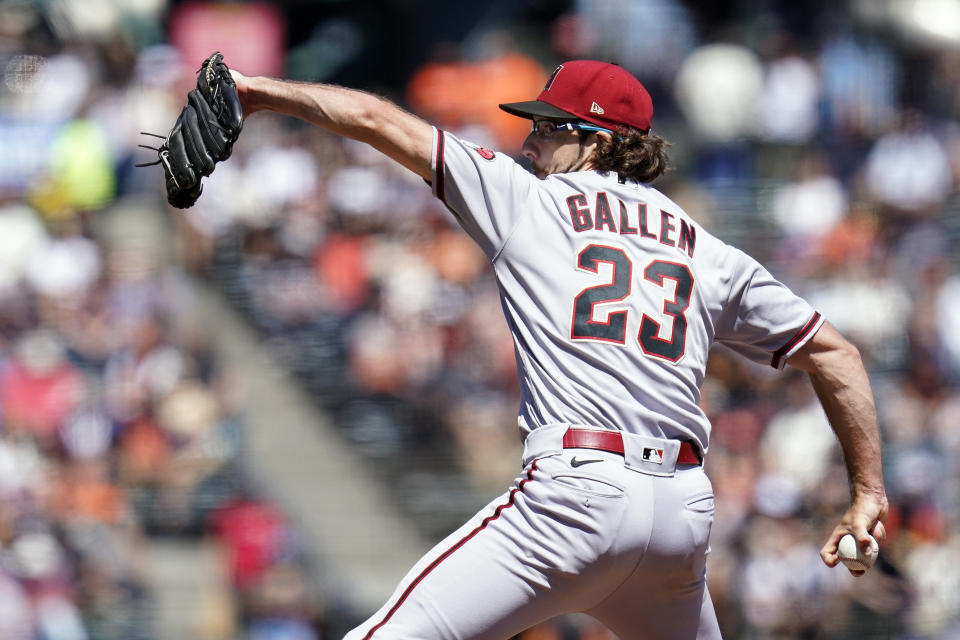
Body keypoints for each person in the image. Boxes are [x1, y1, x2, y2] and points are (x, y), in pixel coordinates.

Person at [227, 59, 888, 639]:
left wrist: (257, 92)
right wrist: (866, 493)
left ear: (595, 141)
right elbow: (837, 356)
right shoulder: (706, 249)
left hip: (579, 493)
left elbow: (377, 118)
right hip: (681, 512)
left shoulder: (530, 202)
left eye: (547, 127)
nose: (530, 142)